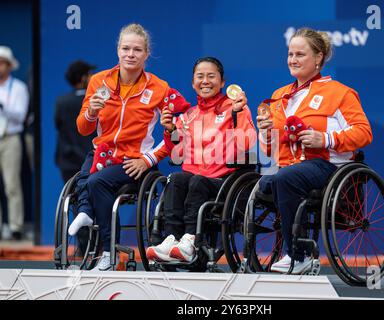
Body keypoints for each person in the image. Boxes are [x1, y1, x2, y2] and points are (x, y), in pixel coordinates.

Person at [256, 28, 373, 274]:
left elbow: (364, 133)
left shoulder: (340, 93)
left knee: (285, 178)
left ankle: (299, 256)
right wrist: (266, 133)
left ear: (318, 58)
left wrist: (325, 139)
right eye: (290, 54)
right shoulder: (279, 96)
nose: (293, 59)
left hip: (327, 167)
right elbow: (272, 148)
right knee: (261, 182)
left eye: (300, 54)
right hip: (289, 167)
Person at [67, 23, 182, 271]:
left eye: (137, 50)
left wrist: (149, 160)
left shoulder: (159, 88)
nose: (130, 54)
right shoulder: (99, 81)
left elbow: (176, 132)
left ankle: (110, 254)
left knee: (95, 181)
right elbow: (83, 129)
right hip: (103, 153)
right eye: (125, 48)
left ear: (146, 54)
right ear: (117, 50)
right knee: (84, 177)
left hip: (133, 162)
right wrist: (91, 112)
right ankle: (86, 212)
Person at [146, 57, 256, 263]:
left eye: (211, 76)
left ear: (222, 82)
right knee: (176, 179)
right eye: (200, 76)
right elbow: (176, 153)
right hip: (195, 178)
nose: (205, 81)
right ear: (192, 82)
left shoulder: (236, 107)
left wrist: (238, 114)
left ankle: (190, 240)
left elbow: (246, 143)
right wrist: (170, 130)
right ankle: (171, 238)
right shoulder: (188, 116)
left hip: (223, 181)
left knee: (196, 181)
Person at [0, 46, 29, 241]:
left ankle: (16, 226)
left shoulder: (18, 87)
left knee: (12, 184)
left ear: (9, 66)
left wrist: (3, 108)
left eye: (2, 62)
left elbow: (21, 116)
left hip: (10, 137)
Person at [55, 60, 97, 183]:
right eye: (90, 74)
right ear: (83, 78)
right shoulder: (97, 101)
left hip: (68, 160)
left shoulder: (61, 102)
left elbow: (58, 125)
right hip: (93, 159)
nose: (93, 77)